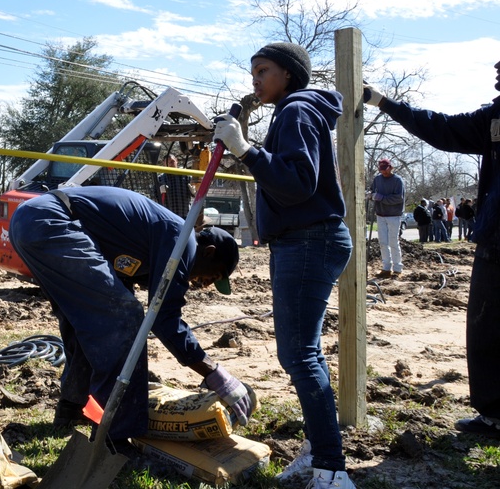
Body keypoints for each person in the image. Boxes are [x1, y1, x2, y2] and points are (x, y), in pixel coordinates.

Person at [7, 186, 251, 448]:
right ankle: (115, 438)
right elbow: (163, 318)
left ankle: (72, 407)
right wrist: (213, 372)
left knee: (86, 318)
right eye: (213, 276)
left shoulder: (157, 237)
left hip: (29, 221)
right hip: (54, 222)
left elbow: (122, 287)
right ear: (209, 252)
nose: (205, 284)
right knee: (125, 318)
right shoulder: (182, 241)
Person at [214, 42, 356, 489]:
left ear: (288, 75)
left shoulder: (295, 111)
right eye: (253, 71)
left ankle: (332, 471)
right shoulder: (296, 111)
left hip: (309, 240)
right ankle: (318, 449)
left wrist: (245, 149)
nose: (255, 79)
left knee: (299, 353)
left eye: (263, 71)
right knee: (302, 351)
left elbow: (297, 182)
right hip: (302, 240)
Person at [365, 63, 500, 440]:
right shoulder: (495, 118)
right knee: (487, 327)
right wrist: (384, 103)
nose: (496, 75)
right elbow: (441, 128)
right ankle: (494, 415)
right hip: (495, 242)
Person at [370, 158, 405, 278]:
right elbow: (372, 191)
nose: (383, 172)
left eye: (385, 169)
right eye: (381, 170)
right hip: (381, 214)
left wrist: (381, 198)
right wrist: (370, 195)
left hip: (394, 215)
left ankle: (397, 268)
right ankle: (386, 268)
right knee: (383, 242)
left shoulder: (397, 180)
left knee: (393, 241)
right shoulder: (377, 179)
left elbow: (398, 198)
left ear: (391, 167)